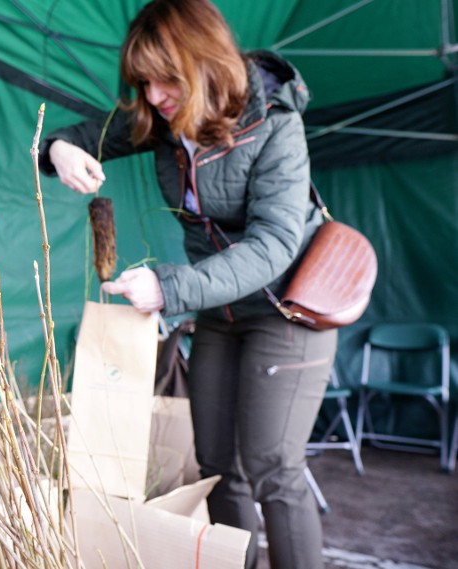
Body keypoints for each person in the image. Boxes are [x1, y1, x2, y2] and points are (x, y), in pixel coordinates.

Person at [39, 1, 336, 568]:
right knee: (218, 464)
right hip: (221, 311)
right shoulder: (162, 120)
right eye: (143, 82)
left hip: (286, 310)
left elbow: (273, 247)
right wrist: (59, 148)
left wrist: (169, 289)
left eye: (165, 79)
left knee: (274, 467)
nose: (152, 96)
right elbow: (81, 133)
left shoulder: (276, 124)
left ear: (205, 64)